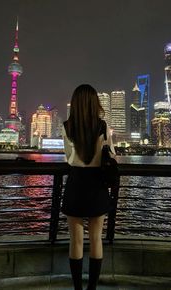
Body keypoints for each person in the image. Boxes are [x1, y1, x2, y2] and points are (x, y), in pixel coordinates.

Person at [62, 84, 115, 290]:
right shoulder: (103, 126)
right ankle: (92, 288)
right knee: (96, 238)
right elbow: (110, 154)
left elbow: (68, 158)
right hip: (96, 184)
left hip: (76, 183)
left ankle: (77, 289)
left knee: (75, 240)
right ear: (95, 104)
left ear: (75, 104)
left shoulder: (67, 126)